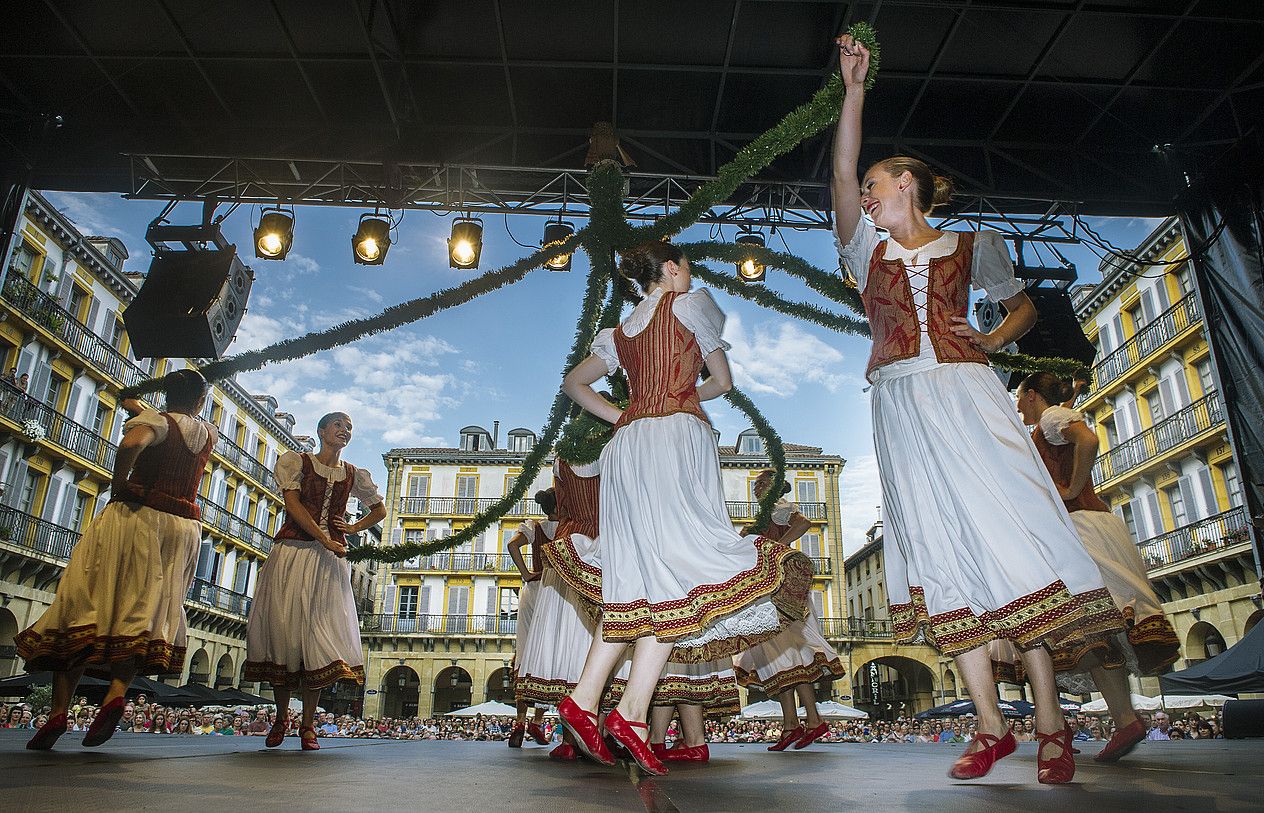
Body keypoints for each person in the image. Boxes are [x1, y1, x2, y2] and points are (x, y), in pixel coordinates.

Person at [831, 34, 1124, 785]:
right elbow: (837, 171)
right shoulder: (865, 252)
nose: (865, 191)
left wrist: (990, 336)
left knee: (1009, 536)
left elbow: (1022, 309)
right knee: (936, 544)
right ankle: (991, 723)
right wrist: (854, 91)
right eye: (865, 186)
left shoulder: (972, 244)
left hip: (966, 392)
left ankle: (1053, 726)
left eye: (877, 182)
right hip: (900, 402)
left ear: (910, 186)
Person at [548, 239, 813, 775]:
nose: (689, 276)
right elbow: (724, 381)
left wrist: (621, 415)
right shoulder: (690, 305)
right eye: (685, 268)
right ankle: (618, 709)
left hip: (629, 446)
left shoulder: (618, 332)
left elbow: (574, 384)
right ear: (671, 269)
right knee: (683, 570)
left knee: (647, 580)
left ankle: (614, 706)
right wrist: (686, 395)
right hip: (677, 440)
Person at [17, 370, 216, 750]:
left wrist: (120, 482)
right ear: (201, 402)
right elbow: (168, 424)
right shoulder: (208, 433)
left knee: (87, 602)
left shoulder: (153, 421)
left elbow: (135, 441)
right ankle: (116, 693)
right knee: (142, 611)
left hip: (137, 517)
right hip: (183, 527)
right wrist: (138, 406)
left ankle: (59, 711)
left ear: (167, 394)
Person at [1008, 372, 1180, 763]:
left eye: (1020, 397)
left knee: (1072, 627)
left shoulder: (1049, 418)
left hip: (1079, 531)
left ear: (1033, 395)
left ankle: (1065, 724)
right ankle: (1124, 719)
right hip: (1087, 527)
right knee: (1098, 634)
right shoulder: (1052, 421)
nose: (1018, 406)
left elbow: (1087, 439)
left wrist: (1070, 488)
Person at [244, 411, 386, 752]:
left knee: (319, 637)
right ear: (321, 430)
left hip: (329, 560)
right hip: (294, 551)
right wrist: (324, 537)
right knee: (284, 632)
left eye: (349, 427)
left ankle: (307, 724)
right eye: (338, 424)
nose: (345, 430)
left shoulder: (353, 474)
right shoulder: (297, 461)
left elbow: (379, 511)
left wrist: (352, 529)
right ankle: (282, 716)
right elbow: (292, 504)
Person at [734, 469, 847, 752]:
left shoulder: (777, 508)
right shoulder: (759, 519)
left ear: (774, 488)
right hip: (768, 590)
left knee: (786, 653)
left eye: (763, 483)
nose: (758, 487)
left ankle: (808, 719)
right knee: (781, 659)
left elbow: (803, 523)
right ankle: (795, 723)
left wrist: (777, 549)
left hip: (781, 590)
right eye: (757, 484)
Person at [516, 460, 601, 761]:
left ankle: (568, 738)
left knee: (565, 647)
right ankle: (599, 733)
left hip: (565, 554)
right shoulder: (616, 448)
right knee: (592, 646)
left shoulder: (562, 461)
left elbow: (564, 502)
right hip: (601, 546)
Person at [507, 488, 559, 749]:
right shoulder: (569, 527)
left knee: (526, 655)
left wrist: (526, 573)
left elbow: (512, 545)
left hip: (532, 591)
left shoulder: (533, 526)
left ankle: (519, 722)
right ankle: (538, 723)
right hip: (556, 591)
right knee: (549, 656)